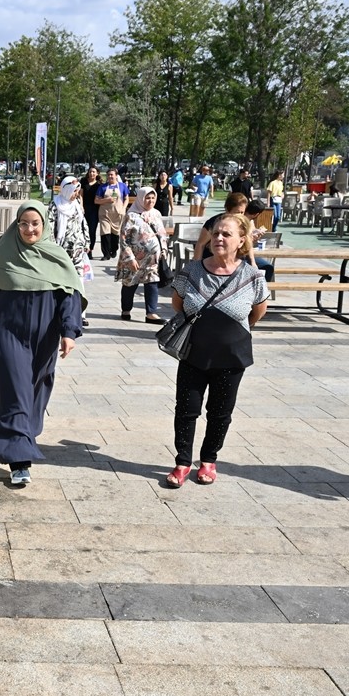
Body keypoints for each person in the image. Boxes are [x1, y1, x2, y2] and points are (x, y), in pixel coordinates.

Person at [0, 200, 85, 487]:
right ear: (16, 225)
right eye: (23, 223)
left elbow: (69, 299)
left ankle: (18, 433)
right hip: (8, 333)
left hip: (45, 337)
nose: (29, 229)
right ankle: (19, 461)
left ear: (44, 225)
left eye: (35, 223)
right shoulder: (5, 254)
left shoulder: (57, 257)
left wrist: (69, 332)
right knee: (15, 390)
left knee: (36, 388)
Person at [166, 212, 269, 488]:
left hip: (231, 356)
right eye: (215, 233)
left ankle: (208, 460)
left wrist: (232, 329)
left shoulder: (251, 276)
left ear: (241, 241)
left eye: (226, 234)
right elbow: (178, 304)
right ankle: (182, 462)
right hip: (194, 352)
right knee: (186, 409)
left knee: (220, 412)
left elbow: (258, 311)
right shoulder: (192, 271)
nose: (219, 238)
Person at [116, 186, 168, 323]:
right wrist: (130, 258)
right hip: (135, 259)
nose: (151, 201)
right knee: (130, 284)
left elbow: (162, 233)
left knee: (152, 283)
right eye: (147, 198)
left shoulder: (156, 213)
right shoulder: (131, 216)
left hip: (152, 259)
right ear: (140, 199)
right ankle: (126, 310)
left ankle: (151, 313)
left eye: (153, 198)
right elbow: (123, 239)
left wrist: (163, 249)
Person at [194, 195, 274, 282]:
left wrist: (253, 262)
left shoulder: (242, 222)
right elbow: (200, 244)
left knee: (267, 267)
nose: (240, 215)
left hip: (238, 257)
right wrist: (197, 267)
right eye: (237, 212)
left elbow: (248, 245)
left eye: (242, 212)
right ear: (227, 210)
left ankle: (259, 288)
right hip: (216, 258)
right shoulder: (215, 222)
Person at [50, 176, 91, 326]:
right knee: (61, 281)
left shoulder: (76, 204)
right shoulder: (55, 205)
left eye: (77, 191)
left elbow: (83, 223)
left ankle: (80, 313)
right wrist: (52, 246)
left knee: (79, 280)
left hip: (77, 249)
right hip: (61, 249)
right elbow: (50, 227)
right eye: (74, 191)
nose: (76, 194)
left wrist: (87, 241)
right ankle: (61, 311)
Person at [95, 167, 128, 260]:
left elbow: (126, 198)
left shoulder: (122, 186)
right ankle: (106, 254)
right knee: (105, 233)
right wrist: (106, 200)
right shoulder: (102, 187)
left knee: (115, 234)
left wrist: (123, 208)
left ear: (116, 176)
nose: (110, 176)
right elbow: (96, 200)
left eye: (112, 175)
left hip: (118, 214)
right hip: (105, 214)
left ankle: (114, 250)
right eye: (108, 175)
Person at [80, 166, 102, 255]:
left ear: (97, 173)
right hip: (84, 208)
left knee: (92, 230)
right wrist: (81, 206)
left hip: (94, 210)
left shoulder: (99, 184)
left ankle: (90, 249)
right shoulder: (84, 181)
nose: (91, 173)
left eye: (93, 172)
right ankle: (83, 248)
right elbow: (81, 195)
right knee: (83, 229)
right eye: (90, 172)